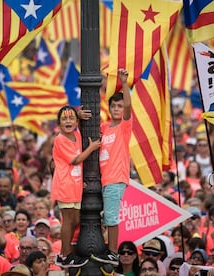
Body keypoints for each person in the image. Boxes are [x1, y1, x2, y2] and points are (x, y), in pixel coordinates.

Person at [51, 105, 101, 268]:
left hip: (76, 185)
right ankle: (65, 255)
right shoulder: (60, 139)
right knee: (68, 220)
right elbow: (75, 160)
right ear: (58, 123)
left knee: (75, 220)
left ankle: (67, 253)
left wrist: (77, 115)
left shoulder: (76, 134)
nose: (68, 121)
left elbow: (76, 123)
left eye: (71, 118)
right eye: (64, 119)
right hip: (65, 185)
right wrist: (92, 148)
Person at [93, 68, 132, 266]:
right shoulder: (104, 127)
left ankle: (113, 253)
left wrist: (124, 83)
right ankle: (106, 249)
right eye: (113, 106)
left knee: (111, 218)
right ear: (108, 108)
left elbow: (128, 107)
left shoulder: (124, 126)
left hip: (116, 179)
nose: (117, 109)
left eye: (119, 105)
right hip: (102, 179)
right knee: (103, 217)